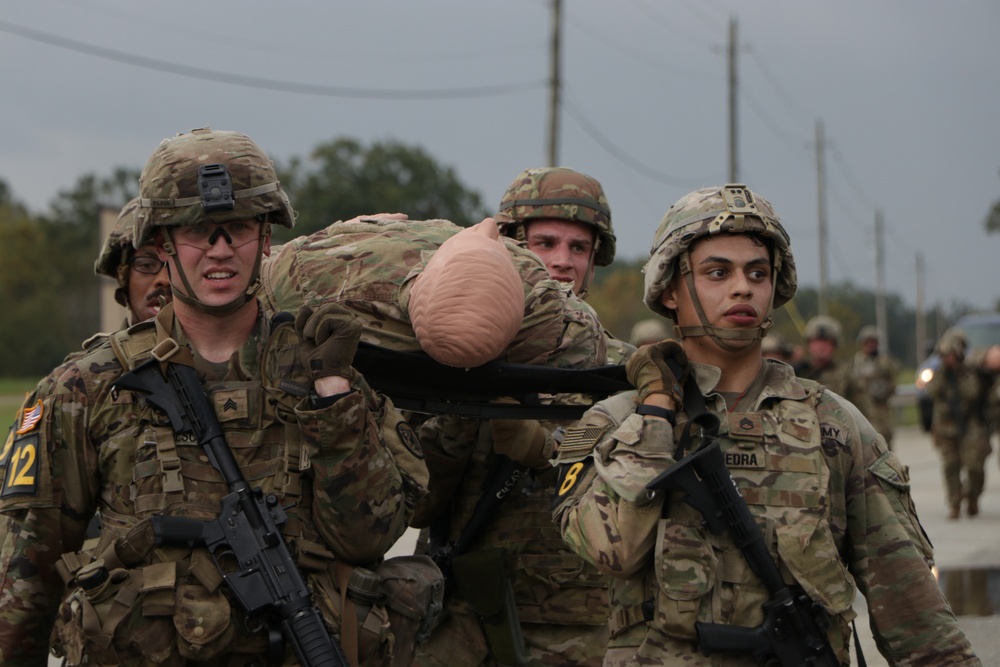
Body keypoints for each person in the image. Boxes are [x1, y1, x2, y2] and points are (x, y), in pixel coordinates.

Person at [0, 128, 427, 667]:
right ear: (162, 244)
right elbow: (24, 580)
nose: (221, 249)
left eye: (239, 228)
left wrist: (334, 400)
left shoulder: (324, 370)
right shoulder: (85, 389)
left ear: (266, 238)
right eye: (199, 230)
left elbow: (369, 539)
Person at [553, 184, 980, 665]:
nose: (743, 288)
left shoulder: (833, 426)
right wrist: (655, 410)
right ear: (671, 290)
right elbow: (616, 550)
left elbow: (915, 618)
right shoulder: (616, 423)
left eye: (758, 272)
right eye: (718, 272)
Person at [413, 167, 624, 667]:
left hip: (572, 627)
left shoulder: (618, 370)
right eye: (545, 243)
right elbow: (416, 503)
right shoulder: (447, 355)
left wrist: (545, 445)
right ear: (510, 248)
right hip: (457, 619)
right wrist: (465, 406)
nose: (562, 262)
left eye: (578, 248)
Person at [926, 329, 993, 519]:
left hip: (971, 425)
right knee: (950, 466)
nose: (949, 359)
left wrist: (959, 372)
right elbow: (931, 392)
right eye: (945, 356)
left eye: (951, 355)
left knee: (974, 466)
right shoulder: (939, 374)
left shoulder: (971, 372)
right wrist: (943, 373)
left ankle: (972, 497)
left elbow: (972, 393)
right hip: (946, 427)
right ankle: (954, 504)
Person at [794, 314, 870, 415]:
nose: (821, 347)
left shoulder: (847, 375)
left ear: (835, 345)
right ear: (808, 344)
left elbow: (865, 412)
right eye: (816, 342)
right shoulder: (797, 373)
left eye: (826, 342)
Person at [852, 325, 900, 449]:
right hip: (864, 409)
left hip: (882, 408)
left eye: (873, 342)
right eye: (867, 342)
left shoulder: (883, 360)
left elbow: (894, 375)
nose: (870, 345)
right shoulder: (858, 361)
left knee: (885, 438)